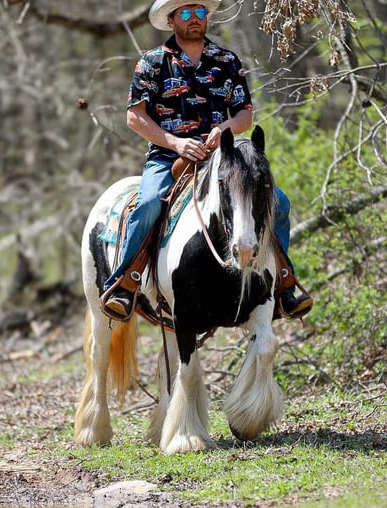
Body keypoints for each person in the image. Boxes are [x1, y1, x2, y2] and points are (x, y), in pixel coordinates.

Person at [101, 0, 312, 321]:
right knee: (147, 205)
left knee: (277, 201)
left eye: (200, 12)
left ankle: (284, 281)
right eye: (185, 13)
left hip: (222, 157)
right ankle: (125, 282)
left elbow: (244, 114)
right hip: (167, 156)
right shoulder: (152, 62)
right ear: (171, 20)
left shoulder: (226, 60)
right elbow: (135, 117)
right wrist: (175, 142)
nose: (195, 19)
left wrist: (223, 129)